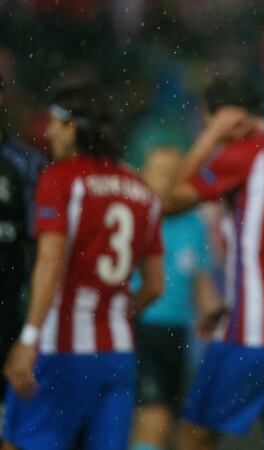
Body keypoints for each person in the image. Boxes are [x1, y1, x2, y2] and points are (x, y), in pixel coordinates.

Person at [162, 76, 264, 450]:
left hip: (256, 329)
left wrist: (209, 140)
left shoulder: (246, 153)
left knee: (191, 437)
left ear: (226, 117)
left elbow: (168, 200)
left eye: (209, 121)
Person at [2, 80, 164, 450]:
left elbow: (49, 260)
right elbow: (154, 285)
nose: (47, 132)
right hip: (118, 355)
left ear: (72, 127)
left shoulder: (61, 179)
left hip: (62, 348)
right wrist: (118, 313)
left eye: (54, 124)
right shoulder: (140, 189)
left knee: (22, 442)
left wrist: (28, 339)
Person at [131, 146, 225, 450]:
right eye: (160, 173)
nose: (168, 181)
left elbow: (202, 281)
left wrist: (215, 310)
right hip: (140, 330)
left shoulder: (194, 224)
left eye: (175, 174)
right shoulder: (134, 218)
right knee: (153, 420)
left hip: (177, 336)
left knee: (170, 425)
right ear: (142, 177)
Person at [0, 73, 48, 442]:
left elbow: (45, 249)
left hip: (9, 311)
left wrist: (32, 329)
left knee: (12, 424)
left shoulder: (27, 164)